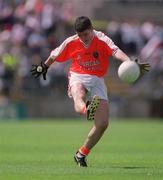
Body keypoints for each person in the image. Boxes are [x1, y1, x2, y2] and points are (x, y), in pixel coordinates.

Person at [31, 16, 150, 167]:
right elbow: (54, 54)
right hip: (77, 75)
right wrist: (44, 66)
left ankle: (81, 154)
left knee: (102, 124)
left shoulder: (102, 38)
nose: (83, 38)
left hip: (97, 80)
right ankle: (87, 109)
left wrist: (129, 63)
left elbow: (116, 51)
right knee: (78, 95)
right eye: (80, 35)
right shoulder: (71, 41)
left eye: (85, 34)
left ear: (92, 29)